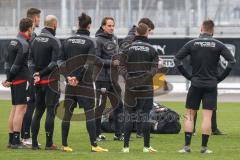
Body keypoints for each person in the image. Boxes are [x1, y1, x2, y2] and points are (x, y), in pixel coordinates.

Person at [175, 19, 235, 154]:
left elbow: (176, 59)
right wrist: (219, 78)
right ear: (212, 30)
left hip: (195, 84)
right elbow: (232, 61)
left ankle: (186, 147)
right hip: (211, 85)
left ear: (201, 29)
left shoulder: (192, 43)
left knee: (190, 115)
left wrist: (188, 76)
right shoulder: (218, 44)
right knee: (207, 116)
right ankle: (204, 148)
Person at [59, 12, 108, 152]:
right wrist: (78, 78)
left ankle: (65, 145)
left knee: (67, 114)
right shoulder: (91, 42)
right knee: (89, 114)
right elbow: (89, 63)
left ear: (78, 24)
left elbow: (60, 61)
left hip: (70, 84)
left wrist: (69, 77)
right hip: (84, 83)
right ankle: (94, 145)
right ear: (89, 26)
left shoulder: (67, 40)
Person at [121, 23, 158, 153]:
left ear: (136, 33)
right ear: (147, 33)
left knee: (128, 115)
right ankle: (146, 147)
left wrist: (128, 77)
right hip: (146, 87)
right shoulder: (152, 49)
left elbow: (121, 66)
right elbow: (155, 68)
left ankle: (125, 147)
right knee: (146, 116)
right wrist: (146, 77)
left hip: (131, 87)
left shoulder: (127, 48)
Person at [30, 15, 60, 150]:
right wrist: (41, 74)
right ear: (55, 25)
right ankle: (49, 144)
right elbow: (54, 63)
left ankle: (34, 143)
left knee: (38, 111)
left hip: (38, 81)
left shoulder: (35, 39)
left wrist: (35, 75)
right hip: (51, 81)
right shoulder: (54, 40)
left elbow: (30, 61)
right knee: (50, 112)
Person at [2, 18, 33, 149]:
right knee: (21, 109)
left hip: (14, 79)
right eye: (32, 28)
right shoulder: (24, 43)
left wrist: (8, 78)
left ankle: (11, 140)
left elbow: (7, 63)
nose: (32, 30)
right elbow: (17, 64)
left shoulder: (13, 42)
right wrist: (9, 79)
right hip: (21, 79)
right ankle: (16, 141)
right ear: (29, 28)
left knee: (15, 108)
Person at [94, 17, 124, 141]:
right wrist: (112, 63)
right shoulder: (97, 40)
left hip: (113, 79)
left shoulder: (115, 38)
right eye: (109, 26)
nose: (111, 28)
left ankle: (118, 134)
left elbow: (116, 56)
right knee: (100, 107)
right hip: (102, 79)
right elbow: (96, 59)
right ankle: (96, 135)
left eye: (113, 25)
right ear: (103, 26)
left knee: (119, 105)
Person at [21, 7, 41, 146]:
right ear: (34, 18)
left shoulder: (25, 35)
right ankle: (25, 136)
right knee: (30, 105)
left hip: (25, 73)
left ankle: (20, 135)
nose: (39, 20)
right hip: (29, 75)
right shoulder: (31, 36)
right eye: (39, 17)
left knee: (24, 106)